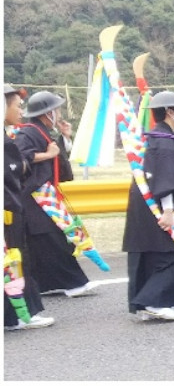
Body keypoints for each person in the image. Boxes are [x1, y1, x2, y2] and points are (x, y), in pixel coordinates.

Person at [13, 91, 96, 298]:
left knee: (46, 242)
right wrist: (49, 154)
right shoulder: (27, 133)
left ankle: (43, 285)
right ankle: (73, 283)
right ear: (47, 113)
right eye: (56, 110)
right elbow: (20, 157)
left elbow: (56, 158)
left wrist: (64, 138)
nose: (59, 114)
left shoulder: (39, 131)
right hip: (33, 197)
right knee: (52, 239)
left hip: (42, 197)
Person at [122, 91, 174, 321]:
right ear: (170, 112)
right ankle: (154, 301)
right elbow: (166, 178)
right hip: (157, 206)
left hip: (142, 205)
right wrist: (169, 211)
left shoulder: (151, 136)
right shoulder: (165, 142)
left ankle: (144, 303)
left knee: (150, 255)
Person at [4, 85, 54, 331]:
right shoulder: (9, 139)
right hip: (8, 212)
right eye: (16, 105)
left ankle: (9, 317)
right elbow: (14, 170)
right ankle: (24, 314)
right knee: (17, 261)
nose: (20, 110)